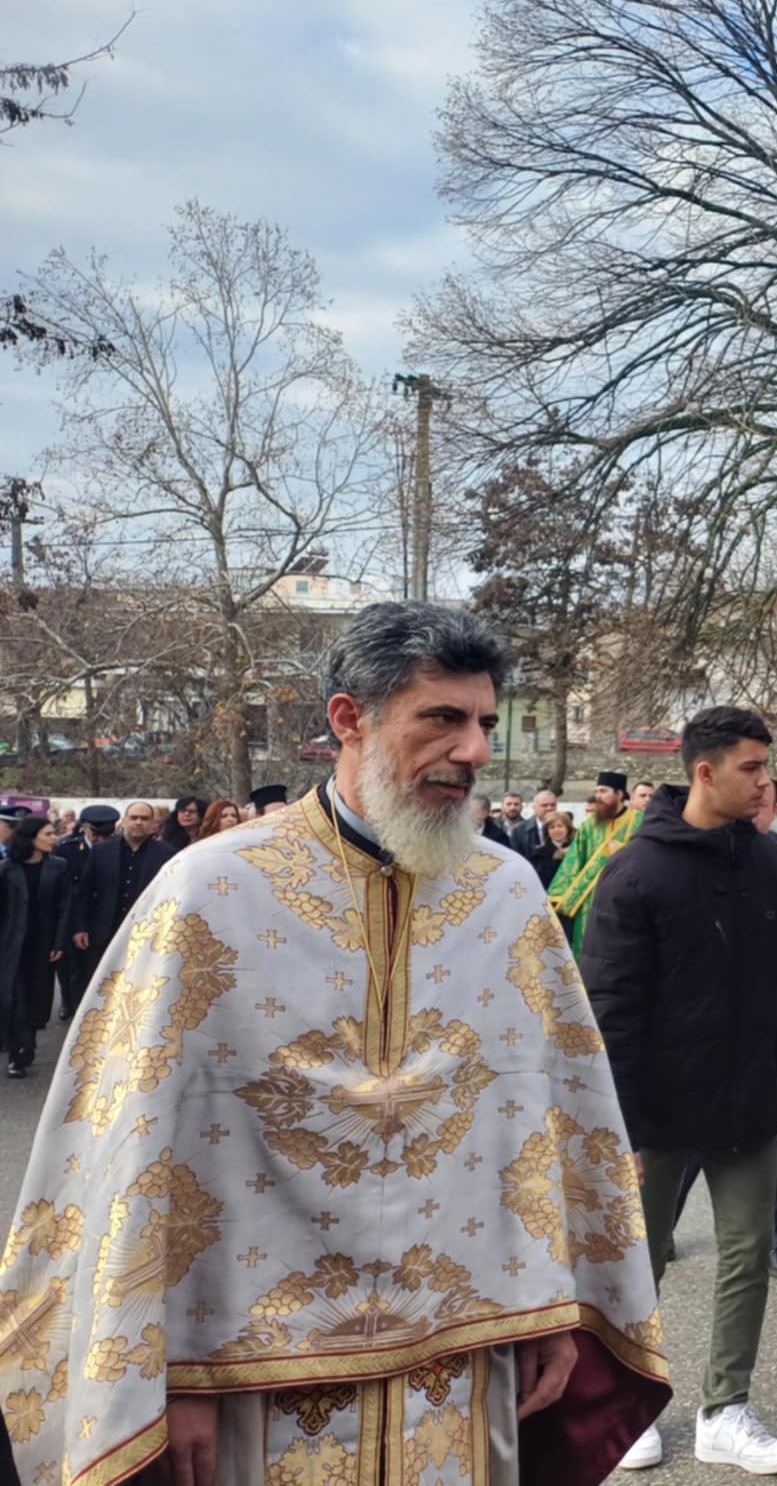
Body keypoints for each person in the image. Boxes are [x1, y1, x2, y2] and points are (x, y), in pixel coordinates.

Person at [0, 600, 671, 1486]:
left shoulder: (507, 895)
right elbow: (136, 1153)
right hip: (258, 1377)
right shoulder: (210, 892)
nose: (472, 749)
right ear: (349, 719)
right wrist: (171, 1370)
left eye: (483, 723)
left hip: (458, 1361)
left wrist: (552, 1307)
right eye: (442, 718)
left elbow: (542, 1118)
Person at [583, 711, 777, 1476]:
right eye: (750, 768)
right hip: (656, 1109)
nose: (764, 783)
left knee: (748, 1254)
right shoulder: (637, 871)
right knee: (638, 1261)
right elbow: (610, 1011)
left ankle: (726, 1410)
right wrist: (616, 1129)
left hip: (751, 1100)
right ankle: (625, 1408)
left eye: (766, 767)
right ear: (706, 772)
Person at [672, 781, 777, 1280]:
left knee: (771, 1138)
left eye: (764, 803)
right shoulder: (692, 854)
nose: (754, 808)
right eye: (749, 797)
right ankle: (663, 1225)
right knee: (692, 1141)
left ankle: (775, 1240)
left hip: (768, 1026)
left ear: (775, 809)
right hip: (706, 1026)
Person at [67, 799, 173, 975]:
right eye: (134, 817)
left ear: (153, 824)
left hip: (145, 934)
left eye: (144, 819)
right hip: (103, 931)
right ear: (124, 821)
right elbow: (84, 891)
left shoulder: (166, 854)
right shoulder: (101, 851)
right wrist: (80, 927)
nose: (138, 822)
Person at [1, 816, 69, 1078]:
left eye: (54, 834)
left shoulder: (59, 867)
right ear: (31, 837)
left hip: (43, 942)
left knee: (36, 996)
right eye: (48, 834)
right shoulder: (6, 869)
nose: (54, 838)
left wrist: (59, 941)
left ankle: (26, 1042)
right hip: (10, 942)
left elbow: (65, 906)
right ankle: (18, 1051)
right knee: (13, 996)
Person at [548, 770, 642, 954]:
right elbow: (574, 860)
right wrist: (556, 896)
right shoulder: (590, 824)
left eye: (603, 791)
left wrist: (623, 851)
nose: (597, 796)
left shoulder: (640, 821)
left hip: (626, 899)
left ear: (619, 794)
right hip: (589, 902)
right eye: (597, 791)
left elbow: (649, 859)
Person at [50, 803, 114, 1019]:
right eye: (96, 833)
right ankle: (70, 1003)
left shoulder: (114, 849)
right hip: (71, 914)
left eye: (107, 833)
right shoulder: (66, 849)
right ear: (85, 827)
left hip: (101, 917)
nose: (100, 839)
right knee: (70, 966)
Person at [528, 808, 577, 887]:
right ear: (547, 831)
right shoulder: (538, 852)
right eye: (552, 827)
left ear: (568, 828)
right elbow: (541, 878)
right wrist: (556, 858)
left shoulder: (577, 849)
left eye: (560, 826)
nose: (556, 830)